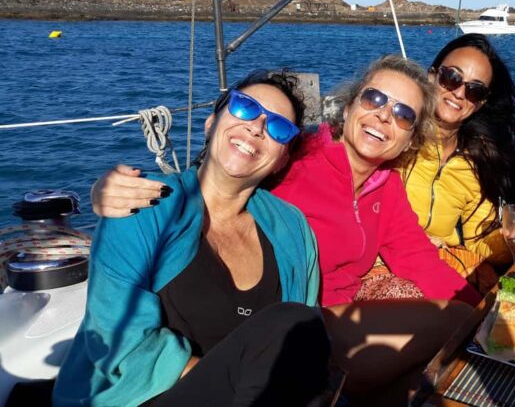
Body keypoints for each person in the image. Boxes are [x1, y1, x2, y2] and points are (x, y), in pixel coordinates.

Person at [89, 56, 480, 401]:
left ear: (410, 140)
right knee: (452, 323)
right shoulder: (298, 157)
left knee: (432, 364)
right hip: (298, 328)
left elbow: (417, 258)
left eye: (403, 114)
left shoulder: (386, 185)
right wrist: (107, 190)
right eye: (375, 99)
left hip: (329, 320)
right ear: (348, 107)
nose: (383, 116)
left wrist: (488, 310)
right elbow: (227, 174)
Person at [53, 71, 329, 406]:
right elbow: (120, 341)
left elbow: (299, 342)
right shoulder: (143, 204)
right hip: (144, 397)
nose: (256, 127)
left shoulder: (292, 229)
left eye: (279, 127)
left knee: (300, 326)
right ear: (211, 123)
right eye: (244, 107)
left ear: (282, 159)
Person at [401, 33, 515, 288]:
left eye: (474, 90)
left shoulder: (477, 161)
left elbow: (478, 242)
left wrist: (509, 241)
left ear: (481, 103)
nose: (460, 93)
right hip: (386, 259)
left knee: (504, 295)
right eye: (451, 77)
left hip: (438, 263)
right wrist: (415, 238)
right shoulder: (399, 135)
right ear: (431, 76)